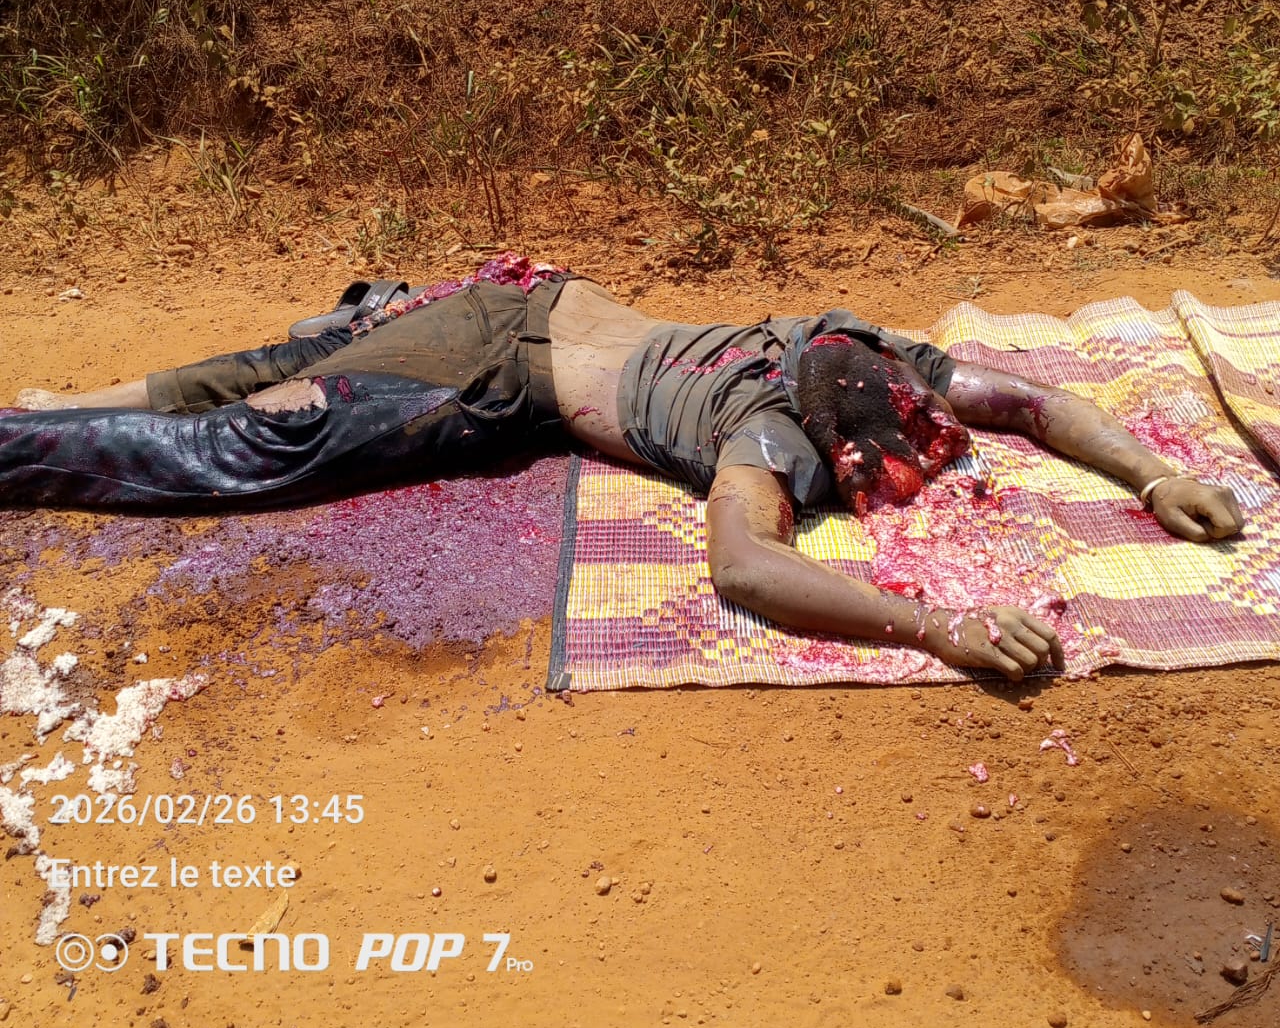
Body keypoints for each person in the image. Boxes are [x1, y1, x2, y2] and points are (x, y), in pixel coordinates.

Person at [2, 255, 1245, 681]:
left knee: (258, 370)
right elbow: (743, 565)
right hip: (489, 362)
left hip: (521, 296)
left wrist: (1149, 475)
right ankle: (25, 440)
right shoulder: (773, 426)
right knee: (257, 437)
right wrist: (937, 624)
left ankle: (52, 404)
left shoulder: (856, 346)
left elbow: (1026, 398)